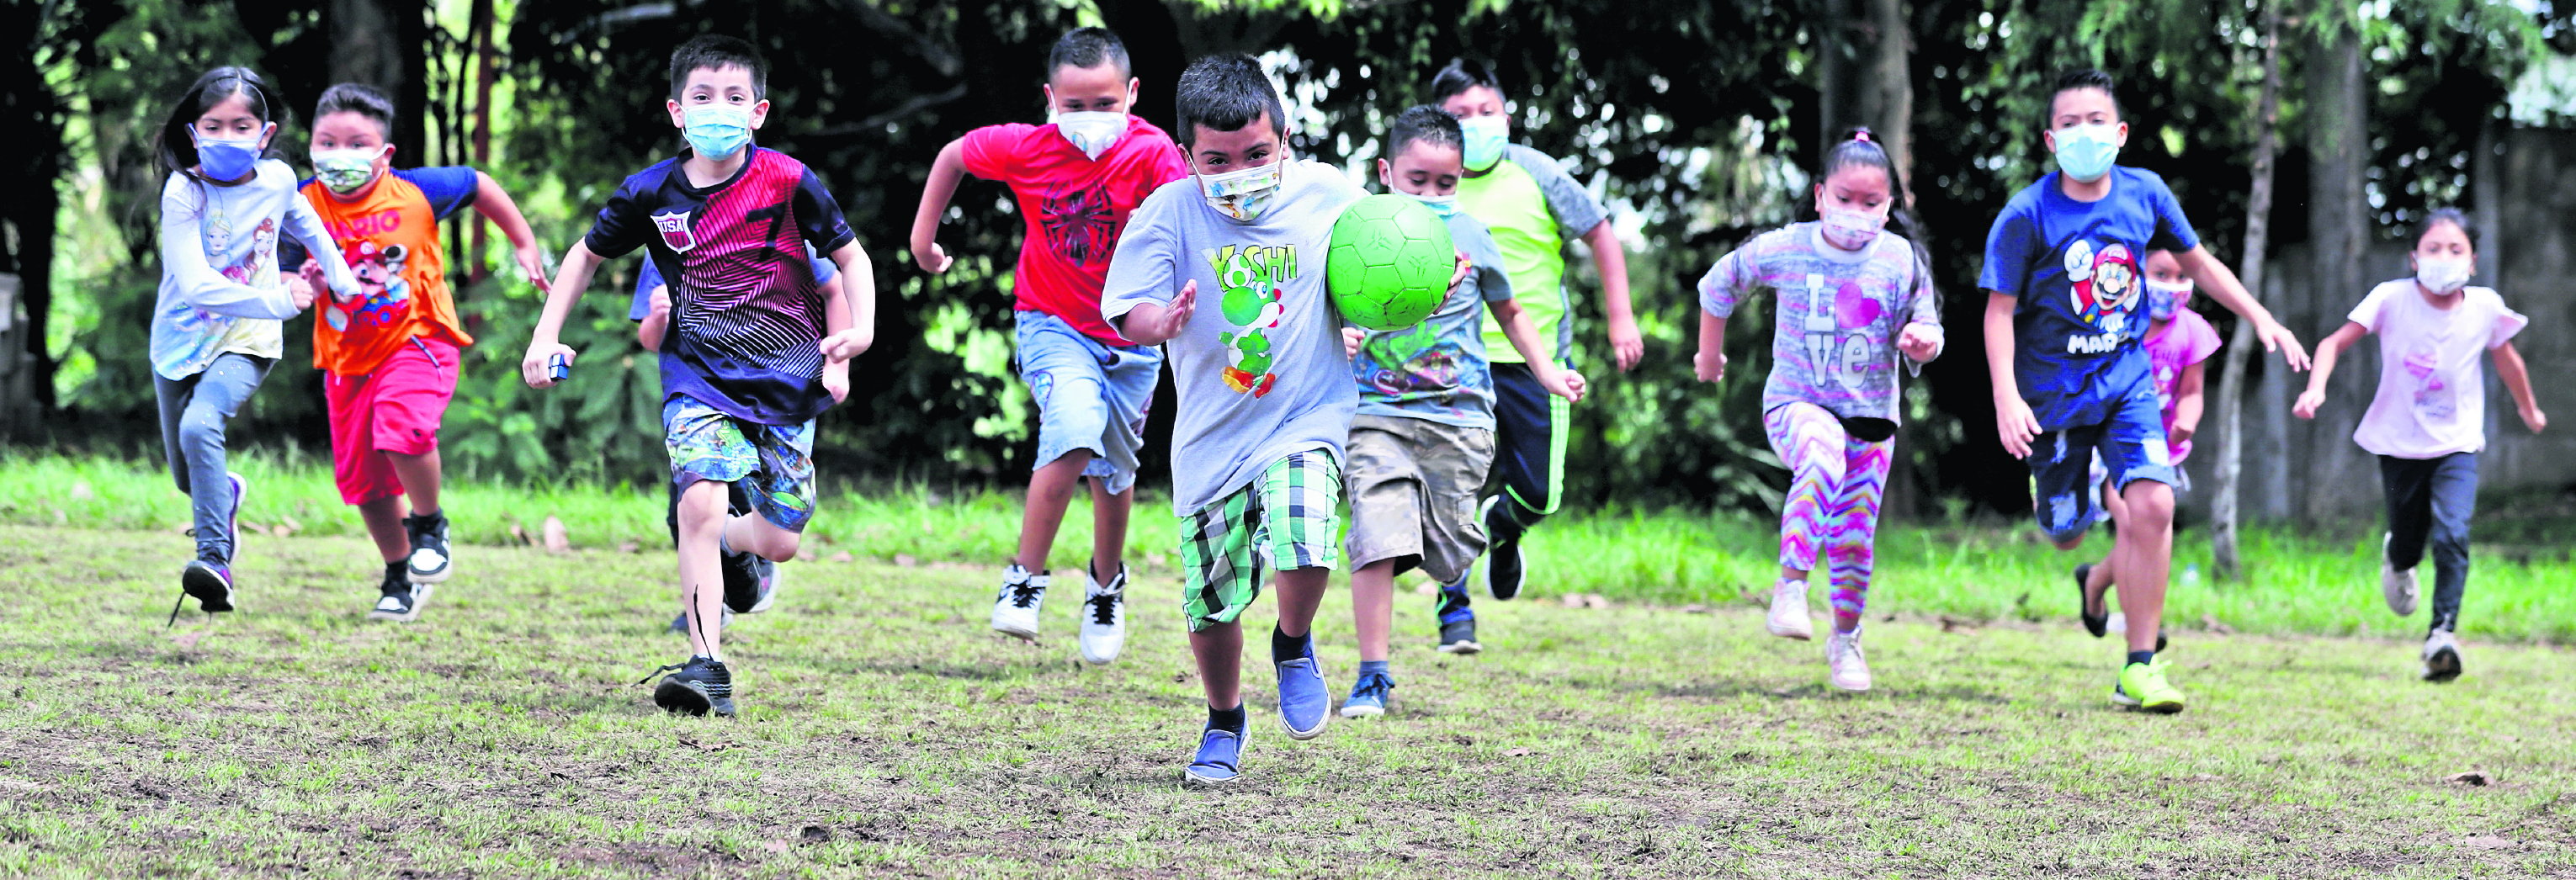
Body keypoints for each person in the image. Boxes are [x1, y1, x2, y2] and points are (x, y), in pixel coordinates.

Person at [520, 35, 874, 718]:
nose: (719, 110)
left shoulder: (789, 180)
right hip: (698, 376)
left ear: (759, 111)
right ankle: (707, 664)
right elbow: (583, 257)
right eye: (702, 98)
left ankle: (740, 551)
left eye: (734, 98)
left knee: (781, 539)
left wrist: (856, 334)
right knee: (701, 503)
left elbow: (851, 260)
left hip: (786, 379)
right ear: (676, 112)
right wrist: (545, 334)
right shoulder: (651, 192)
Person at [1982, 68, 2308, 714]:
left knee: (2153, 505)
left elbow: (2200, 264)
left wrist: (2260, 316)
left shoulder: (2145, 193)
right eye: (2069, 123)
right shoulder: (2025, 215)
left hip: (2126, 383)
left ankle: (2139, 665)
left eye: (2095, 120)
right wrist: (2005, 398)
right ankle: (2066, 522)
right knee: (2066, 530)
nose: (2084, 133)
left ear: (2121, 133)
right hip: (2053, 399)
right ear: (2050, 139)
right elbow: (1997, 313)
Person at [1101, 53, 1368, 784]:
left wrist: (1408, 297)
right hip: (1213, 438)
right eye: (1216, 161)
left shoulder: (1329, 195)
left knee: (1305, 538)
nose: (1238, 172)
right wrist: (1165, 321)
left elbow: (1370, 280)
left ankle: (1292, 640)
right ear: (1186, 155)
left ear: (1285, 138)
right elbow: (1130, 311)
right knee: (1212, 606)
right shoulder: (1167, 212)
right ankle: (1224, 718)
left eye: (1257, 153)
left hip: (1305, 417)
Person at [906, 28, 1190, 664]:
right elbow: (953, 154)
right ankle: (1025, 579)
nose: (1089, 119)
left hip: (1133, 336)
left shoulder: (1152, 155)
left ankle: (1105, 585)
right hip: (1052, 323)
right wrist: (923, 240)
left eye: (1105, 104)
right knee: (1074, 430)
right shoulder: (1026, 148)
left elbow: (1187, 223)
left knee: (1115, 475)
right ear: (1049, 99)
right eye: (1074, 106)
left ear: (1133, 95)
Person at [1337, 106, 1585, 716]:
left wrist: (1547, 372)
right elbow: (1324, 302)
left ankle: (1444, 551)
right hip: (1377, 411)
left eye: (1444, 184)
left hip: (1460, 417)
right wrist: (1338, 333)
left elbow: (1511, 313)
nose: (1430, 195)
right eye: (1415, 181)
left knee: (1447, 551)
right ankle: (1372, 674)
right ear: (1385, 172)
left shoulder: (1471, 235)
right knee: (1374, 534)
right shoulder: (1358, 230)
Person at [278, 82, 549, 623]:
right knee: (362, 482)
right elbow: (280, 271)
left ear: (385, 153)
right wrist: (296, 280)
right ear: (309, 147)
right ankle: (400, 573)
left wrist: (522, 242)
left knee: (402, 426)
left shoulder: (415, 191)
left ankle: (429, 525)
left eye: (357, 143)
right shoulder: (298, 203)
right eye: (326, 142)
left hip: (418, 337)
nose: (340, 156)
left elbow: (479, 184)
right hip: (345, 357)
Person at [1695, 130, 1941, 692]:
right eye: (1844, 199)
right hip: (1796, 403)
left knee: (1853, 541)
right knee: (1821, 456)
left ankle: (1846, 641)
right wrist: (1710, 355)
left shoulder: (1901, 259)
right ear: (1818, 196)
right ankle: (1790, 584)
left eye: (1871, 202)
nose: (1856, 212)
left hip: (1871, 419)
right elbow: (1717, 285)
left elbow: (1927, 323)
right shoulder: (1787, 247)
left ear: (1890, 207)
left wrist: (1924, 341)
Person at [2292, 208, 2543, 682]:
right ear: (2413, 258)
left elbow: (2508, 361)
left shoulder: (2486, 307)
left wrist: (2528, 410)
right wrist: (2315, 389)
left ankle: (2441, 634)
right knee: (2409, 539)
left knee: (2453, 533)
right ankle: (2399, 558)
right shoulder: (2391, 299)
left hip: (2457, 443)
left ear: (2472, 263)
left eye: (2455, 250)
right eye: (2433, 249)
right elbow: (2332, 343)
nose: (2443, 258)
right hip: (2399, 441)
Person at [150, 66, 362, 623]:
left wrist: (344, 286)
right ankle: (227, 494)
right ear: (193, 133)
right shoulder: (184, 191)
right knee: (186, 476)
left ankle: (213, 564)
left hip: (248, 339)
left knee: (201, 427)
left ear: (264, 134)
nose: (227, 137)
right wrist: (279, 299)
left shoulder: (276, 180)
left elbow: (309, 227)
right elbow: (196, 285)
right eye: (213, 126)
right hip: (181, 338)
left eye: (241, 125)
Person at [1430, 59, 1641, 607]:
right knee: (1449, 485)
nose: (1476, 123)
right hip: (1454, 359)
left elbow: (1599, 233)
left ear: (1505, 113)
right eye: (1460, 115)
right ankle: (1453, 607)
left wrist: (1621, 318)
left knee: (1541, 495)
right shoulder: (1430, 185)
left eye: (1486, 111)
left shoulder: (1534, 171)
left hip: (1538, 360)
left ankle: (1502, 528)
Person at [635, 250, 840, 634]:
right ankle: (710, 618)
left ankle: (753, 568)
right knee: (688, 512)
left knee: (751, 515)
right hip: (699, 397)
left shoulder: (777, 221)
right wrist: (658, 317)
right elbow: (649, 338)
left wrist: (838, 363)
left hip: (769, 396)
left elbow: (834, 286)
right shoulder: (661, 229)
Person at [2070, 248, 2217, 647]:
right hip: (2111, 445)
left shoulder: (2193, 330)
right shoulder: (2113, 323)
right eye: (2160, 274)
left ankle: (2096, 581)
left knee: (2146, 529)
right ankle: (2143, 634)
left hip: (2161, 450)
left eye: (2180, 276)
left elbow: (2192, 390)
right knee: (2133, 523)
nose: (2171, 285)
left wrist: (2188, 419)